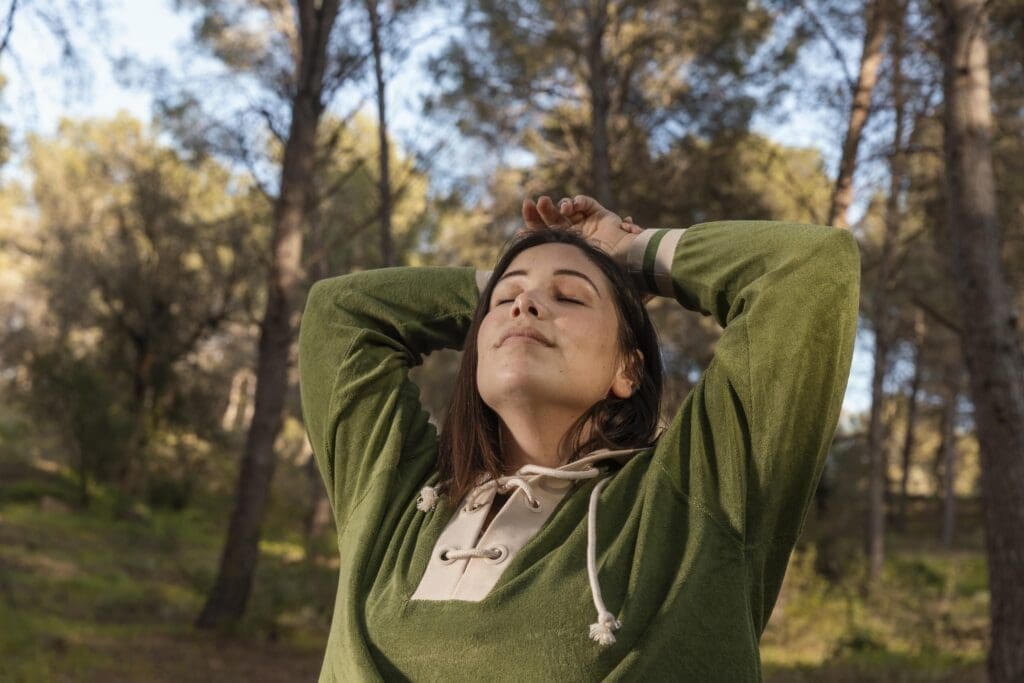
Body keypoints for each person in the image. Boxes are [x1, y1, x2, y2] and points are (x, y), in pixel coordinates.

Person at [297, 194, 860, 681]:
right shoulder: (396, 498)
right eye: (503, 301)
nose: (524, 303)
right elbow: (340, 314)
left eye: (569, 297)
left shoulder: (691, 499)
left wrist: (631, 254)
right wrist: (512, 278)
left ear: (629, 370)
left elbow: (809, 267)